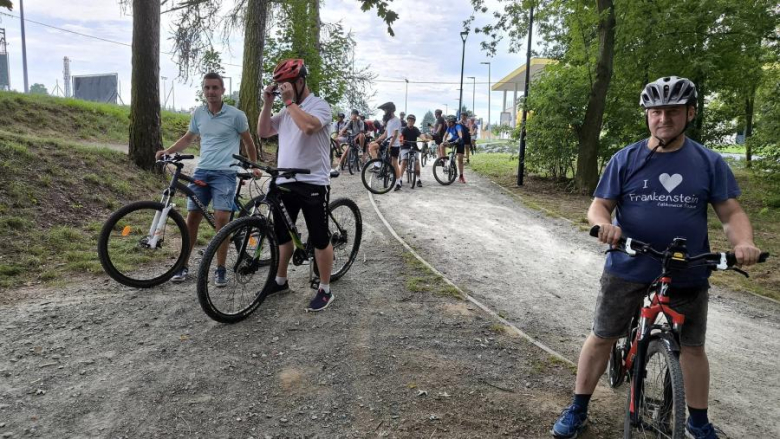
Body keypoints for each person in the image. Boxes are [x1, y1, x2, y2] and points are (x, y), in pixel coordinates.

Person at [551, 76, 762, 439]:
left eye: (673, 111)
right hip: (629, 262)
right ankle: (578, 407)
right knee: (602, 336)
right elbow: (599, 206)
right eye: (656, 111)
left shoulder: (708, 162)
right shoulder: (626, 159)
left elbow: (730, 213)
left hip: (688, 266)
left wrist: (744, 243)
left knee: (693, 347)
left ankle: (698, 423)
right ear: (647, 115)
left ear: (690, 113)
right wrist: (604, 225)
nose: (663, 118)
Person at [154, 72, 261, 285]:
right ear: (203, 91)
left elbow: (248, 141)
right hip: (202, 171)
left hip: (226, 173)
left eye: (215, 88)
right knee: (191, 219)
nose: (211, 92)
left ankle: (221, 268)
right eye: (207, 88)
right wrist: (167, 151)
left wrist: (253, 164)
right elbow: (188, 138)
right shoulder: (199, 113)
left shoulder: (236, 115)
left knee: (222, 220)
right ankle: (182, 265)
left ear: (222, 90)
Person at [257, 59, 337, 312]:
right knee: (283, 235)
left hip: (312, 180)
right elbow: (263, 131)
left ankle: (325, 288)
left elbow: (309, 127)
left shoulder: (319, 105)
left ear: (300, 82)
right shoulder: (286, 110)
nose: (282, 90)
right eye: (279, 86)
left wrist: (290, 102)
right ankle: (280, 280)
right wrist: (268, 102)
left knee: (320, 238)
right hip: (285, 179)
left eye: (286, 85)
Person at [368, 102, 402, 177]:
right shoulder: (389, 121)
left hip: (394, 144)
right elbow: (385, 134)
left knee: (394, 163)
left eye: (385, 110)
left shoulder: (396, 120)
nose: (385, 112)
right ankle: (378, 165)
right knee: (372, 146)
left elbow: (395, 135)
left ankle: (398, 181)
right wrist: (375, 141)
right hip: (387, 142)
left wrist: (390, 144)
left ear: (390, 110)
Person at [397, 114, 425, 190]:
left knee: (416, 161)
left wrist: (424, 139)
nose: (410, 122)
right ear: (407, 121)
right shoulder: (405, 129)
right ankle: (400, 179)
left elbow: (420, 135)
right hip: (405, 147)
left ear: (414, 122)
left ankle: (418, 179)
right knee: (404, 161)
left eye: (412, 121)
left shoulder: (415, 129)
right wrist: (401, 141)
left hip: (414, 147)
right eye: (409, 120)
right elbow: (401, 136)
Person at [440, 115, 466, 183]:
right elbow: (445, 135)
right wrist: (444, 141)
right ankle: (444, 160)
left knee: (460, 159)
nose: (446, 123)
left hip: (460, 142)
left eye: (447, 121)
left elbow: (460, 133)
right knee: (441, 145)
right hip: (453, 140)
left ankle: (461, 175)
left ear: (451, 122)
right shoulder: (449, 127)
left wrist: (460, 137)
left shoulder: (457, 126)